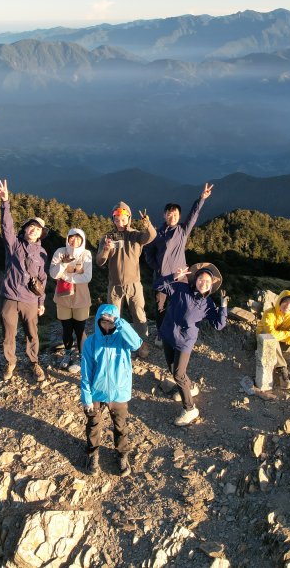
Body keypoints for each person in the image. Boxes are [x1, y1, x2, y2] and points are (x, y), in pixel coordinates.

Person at [156, 263, 228, 426]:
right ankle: (191, 387)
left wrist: (223, 307)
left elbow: (219, 325)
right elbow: (158, 285)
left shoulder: (207, 304)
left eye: (208, 282)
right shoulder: (180, 289)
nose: (204, 283)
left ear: (211, 286)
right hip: (168, 335)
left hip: (185, 341)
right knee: (173, 369)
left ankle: (189, 409)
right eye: (201, 279)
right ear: (195, 280)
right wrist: (174, 276)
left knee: (179, 375)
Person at [143, 183, 213, 339]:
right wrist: (157, 267)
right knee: (160, 307)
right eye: (169, 213)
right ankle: (161, 334)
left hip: (180, 278)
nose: (172, 216)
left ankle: (177, 333)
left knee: (179, 306)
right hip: (162, 279)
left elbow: (193, 216)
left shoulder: (182, 231)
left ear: (179, 216)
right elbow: (148, 252)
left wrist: (201, 199)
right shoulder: (157, 233)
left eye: (175, 214)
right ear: (164, 215)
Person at [80, 304, 142, 477]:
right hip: (96, 393)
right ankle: (92, 454)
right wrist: (86, 396)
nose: (106, 326)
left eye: (110, 322)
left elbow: (137, 344)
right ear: (98, 321)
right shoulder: (91, 342)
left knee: (120, 426)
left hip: (118, 393)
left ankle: (122, 454)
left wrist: (120, 323)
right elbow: (86, 370)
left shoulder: (123, 339)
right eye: (103, 322)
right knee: (93, 424)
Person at [0, 179, 48, 382]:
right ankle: (11, 363)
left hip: (30, 299)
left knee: (32, 333)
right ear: (25, 229)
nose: (33, 230)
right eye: (30, 227)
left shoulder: (42, 253)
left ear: (40, 234)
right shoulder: (14, 245)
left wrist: (41, 302)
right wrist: (5, 203)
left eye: (37, 228)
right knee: (8, 334)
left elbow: (42, 279)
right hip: (9, 296)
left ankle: (34, 362)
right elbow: (6, 227)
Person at [95, 201, 156, 357]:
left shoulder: (135, 235)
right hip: (114, 286)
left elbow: (151, 236)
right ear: (113, 219)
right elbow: (100, 262)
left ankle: (142, 345)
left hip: (134, 284)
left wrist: (147, 223)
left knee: (139, 315)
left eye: (123, 219)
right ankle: (114, 344)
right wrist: (106, 249)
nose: (120, 223)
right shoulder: (108, 237)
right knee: (113, 317)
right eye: (117, 219)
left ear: (129, 218)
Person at [49, 228, 93, 372]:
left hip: (81, 298)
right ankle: (67, 354)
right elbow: (54, 274)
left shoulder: (86, 254)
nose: (74, 241)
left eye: (78, 238)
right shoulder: (60, 252)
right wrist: (63, 264)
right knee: (66, 328)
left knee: (80, 329)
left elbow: (87, 277)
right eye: (71, 238)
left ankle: (82, 356)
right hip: (63, 298)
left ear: (82, 240)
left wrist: (67, 277)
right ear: (67, 238)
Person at [256, 290, 290, 389]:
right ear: (279, 302)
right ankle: (281, 369)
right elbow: (271, 334)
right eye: (285, 302)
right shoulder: (269, 313)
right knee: (268, 336)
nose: (288, 305)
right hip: (265, 343)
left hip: (282, 342)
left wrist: (287, 340)